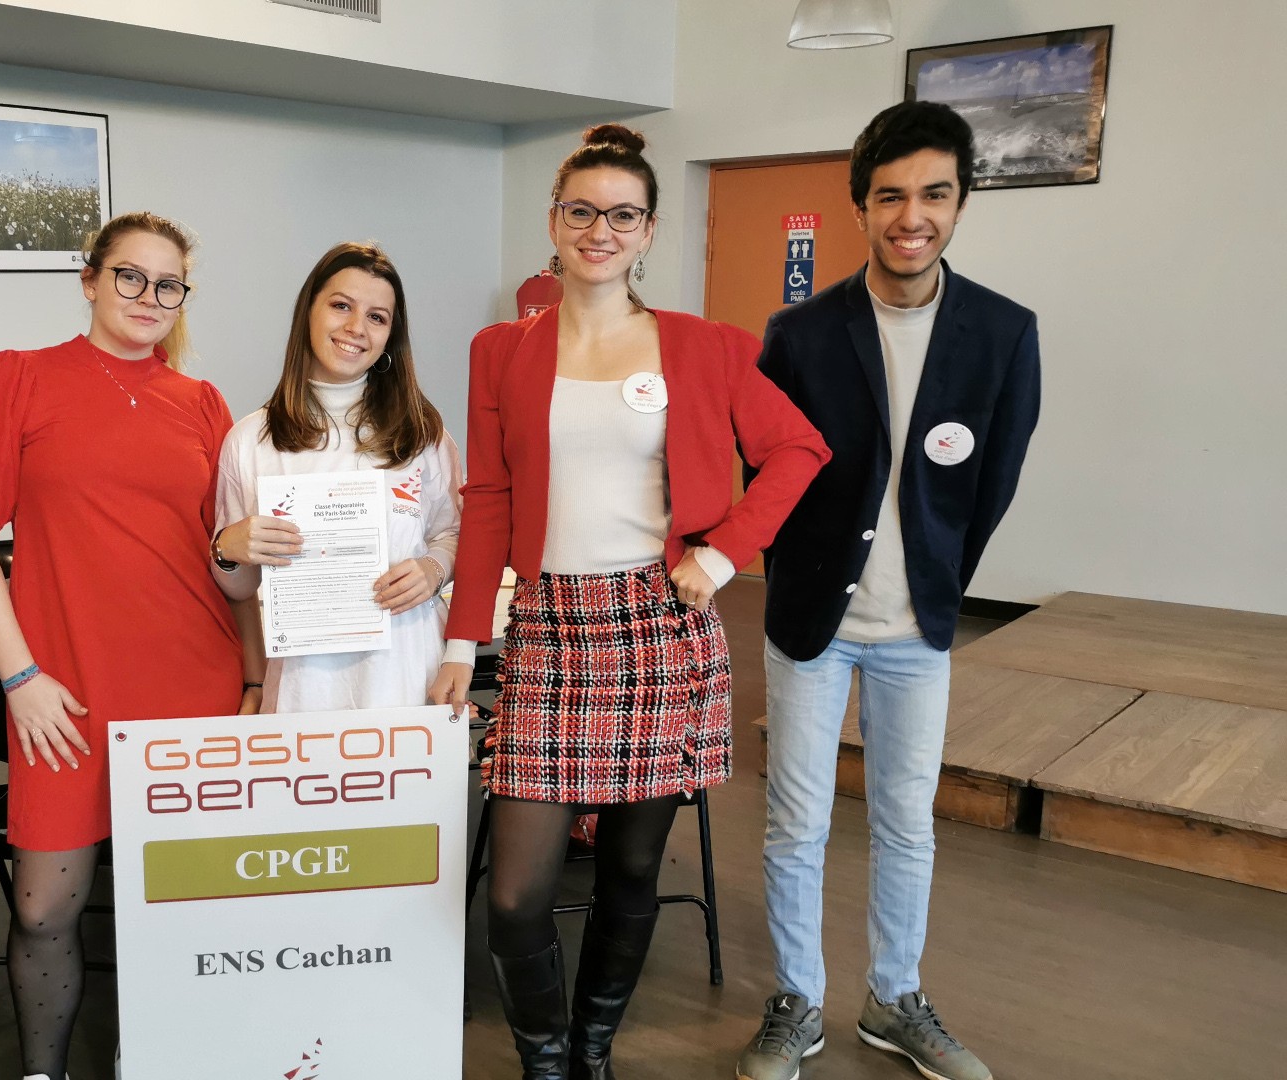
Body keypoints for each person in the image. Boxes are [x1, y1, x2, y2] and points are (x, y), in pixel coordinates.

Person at [431, 124, 830, 1080]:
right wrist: (457, 639)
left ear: (648, 230)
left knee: (631, 870)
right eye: (582, 211)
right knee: (519, 893)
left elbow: (800, 450)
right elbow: (488, 499)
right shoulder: (501, 350)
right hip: (550, 626)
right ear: (555, 222)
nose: (600, 230)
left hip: (660, 628)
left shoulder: (706, 347)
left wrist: (728, 554)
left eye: (622, 215)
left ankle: (592, 1051)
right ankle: (545, 1059)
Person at [734, 101, 1041, 1080]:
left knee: (909, 823)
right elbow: (764, 477)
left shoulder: (1002, 333)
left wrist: (939, 581)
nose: (913, 215)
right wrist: (796, 577)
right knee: (795, 823)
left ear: (960, 202)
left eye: (935, 194)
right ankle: (798, 1002)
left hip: (919, 632)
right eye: (892, 195)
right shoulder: (800, 334)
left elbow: (989, 487)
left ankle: (894, 998)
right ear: (862, 206)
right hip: (812, 626)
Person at [0, 211, 255, 1080]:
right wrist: (20, 677)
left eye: (168, 284)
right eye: (130, 276)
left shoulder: (201, 404)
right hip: (63, 693)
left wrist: (256, 671)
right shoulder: (18, 378)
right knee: (45, 910)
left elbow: (221, 560)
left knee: (185, 906)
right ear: (89, 280)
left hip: (193, 681)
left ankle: (158, 1062)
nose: (148, 297)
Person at [211, 241, 464, 712]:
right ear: (309, 310)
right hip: (303, 687)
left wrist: (433, 571)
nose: (355, 328)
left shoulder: (422, 433)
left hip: (407, 676)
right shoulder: (250, 440)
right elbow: (240, 590)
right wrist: (229, 549)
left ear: (391, 336)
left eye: (377, 317)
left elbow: (454, 533)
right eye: (341, 306)